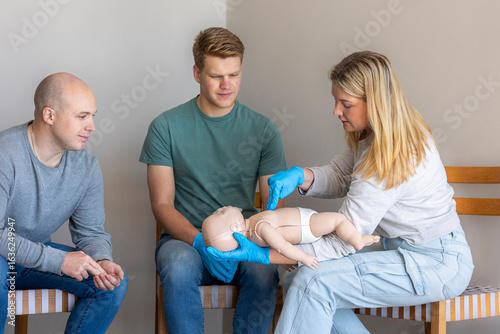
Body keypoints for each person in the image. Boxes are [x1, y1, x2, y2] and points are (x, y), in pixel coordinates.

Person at [209, 51, 474, 333]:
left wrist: (267, 255)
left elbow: (340, 244)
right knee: (300, 275)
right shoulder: (373, 136)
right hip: (407, 255)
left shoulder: (393, 155)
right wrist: (302, 176)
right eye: (336, 100)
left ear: (376, 103)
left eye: (346, 104)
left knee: (311, 281)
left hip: (436, 264)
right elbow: (340, 174)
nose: (336, 110)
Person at [139, 27, 287, 334]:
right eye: (216, 75)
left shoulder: (264, 130)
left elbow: (273, 210)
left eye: (234, 75)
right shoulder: (165, 127)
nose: (226, 85)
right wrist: (198, 241)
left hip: (245, 240)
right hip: (185, 242)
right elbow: (162, 205)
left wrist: (251, 239)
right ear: (196, 73)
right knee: (177, 268)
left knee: (264, 272)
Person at [0, 72, 128, 334]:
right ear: (49, 116)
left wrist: (102, 260)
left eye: (93, 116)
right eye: (82, 116)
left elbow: (90, 232)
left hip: (32, 259)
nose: (92, 126)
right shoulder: (5, 155)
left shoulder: (87, 166)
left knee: (111, 286)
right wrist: (58, 261)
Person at [203, 206, 379, 269]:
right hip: (307, 224)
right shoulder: (260, 227)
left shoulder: (253, 231)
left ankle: (357, 239)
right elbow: (282, 246)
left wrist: (283, 262)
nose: (222, 208)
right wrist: (304, 257)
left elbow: (274, 247)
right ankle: (358, 240)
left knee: (336, 223)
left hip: (305, 225)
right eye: (221, 212)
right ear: (235, 227)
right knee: (338, 220)